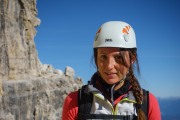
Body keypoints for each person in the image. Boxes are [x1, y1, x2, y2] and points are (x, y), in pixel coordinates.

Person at [62, 21, 161, 120]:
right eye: (103, 57)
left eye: (118, 57)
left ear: (132, 59)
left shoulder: (148, 103)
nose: (109, 66)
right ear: (96, 58)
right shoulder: (74, 101)